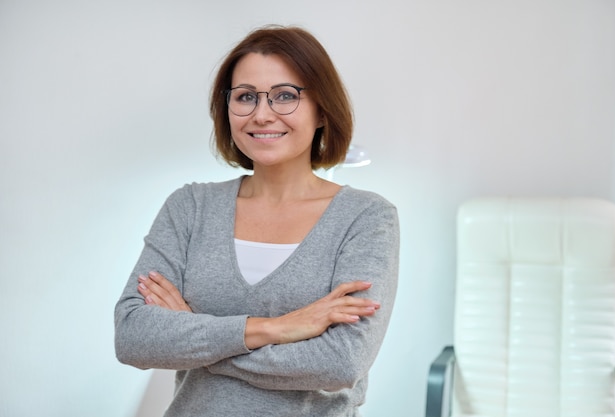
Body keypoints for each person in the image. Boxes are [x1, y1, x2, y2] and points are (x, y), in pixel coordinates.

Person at [114, 25, 400, 417]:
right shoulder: (190, 207)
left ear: (321, 109)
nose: (262, 114)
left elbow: (341, 362)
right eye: (246, 97)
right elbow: (133, 337)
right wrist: (278, 328)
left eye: (285, 96)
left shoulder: (366, 217)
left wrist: (198, 337)